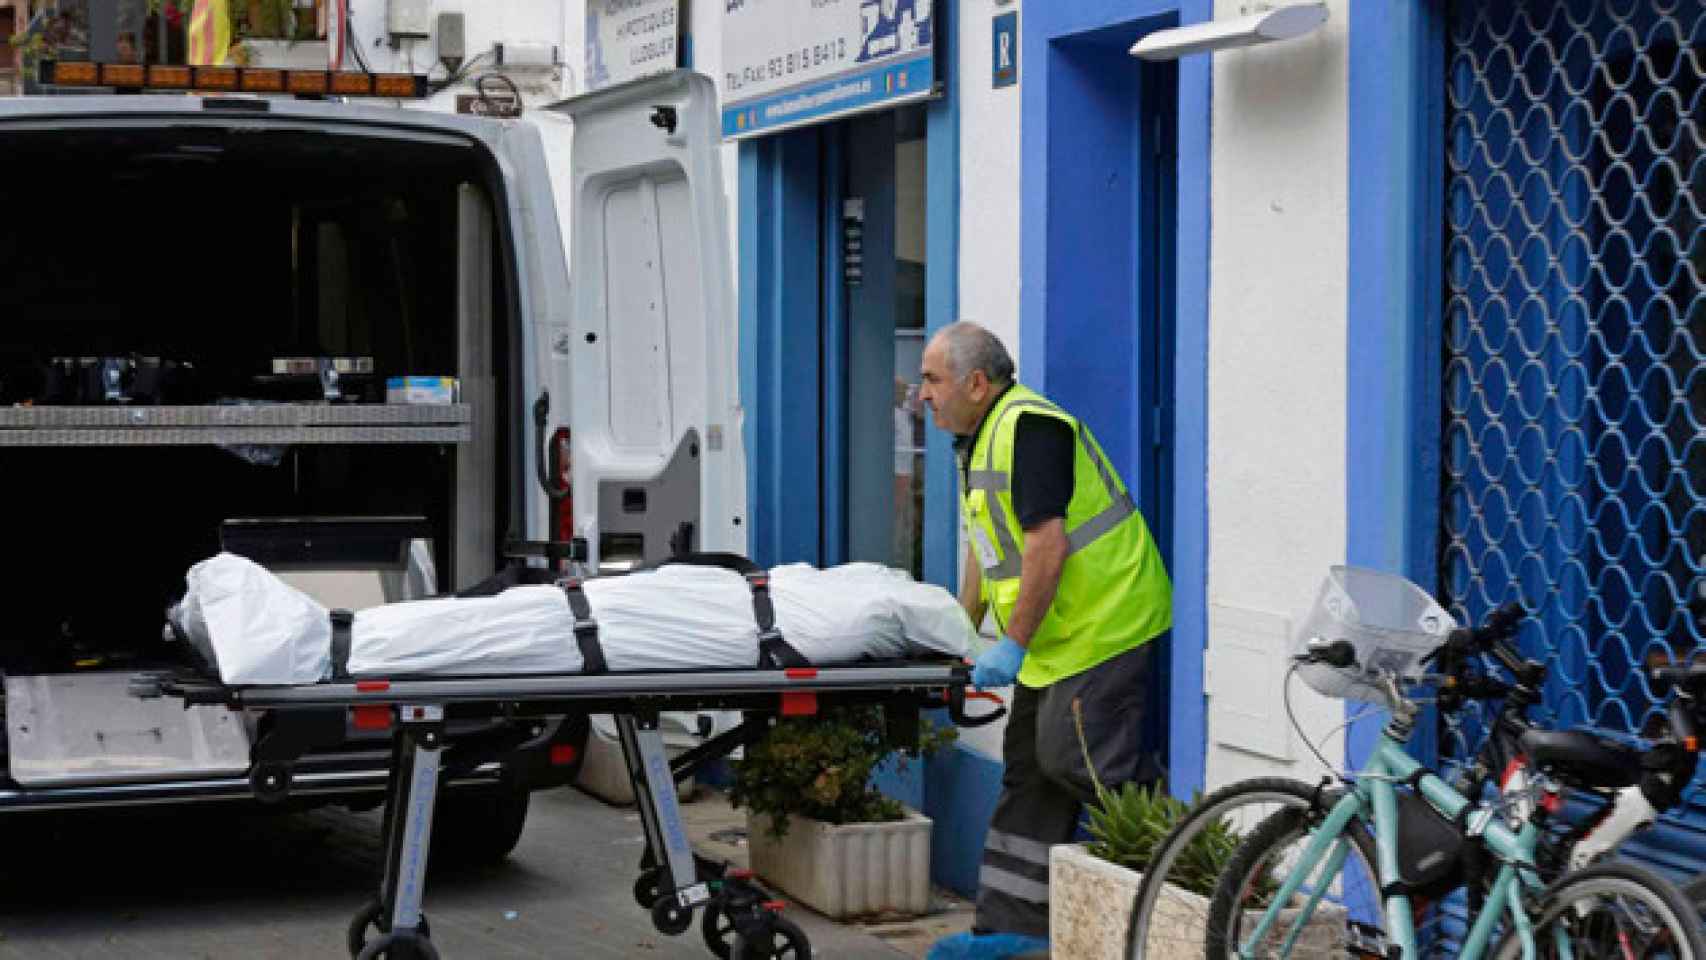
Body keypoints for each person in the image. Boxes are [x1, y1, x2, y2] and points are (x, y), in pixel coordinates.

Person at [919, 322, 1172, 960]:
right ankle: (1013, 931)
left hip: (1105, 622)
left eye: (932, 379)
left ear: (977, 383)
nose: (922, 394)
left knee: (1082, 762)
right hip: (1056, 639)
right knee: (1030, 774)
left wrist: (1013, 644)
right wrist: (961, 632)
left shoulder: (1031, 428)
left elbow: (1045, 545)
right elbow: (986, 551)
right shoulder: (978, 440)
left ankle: (1174, 893)